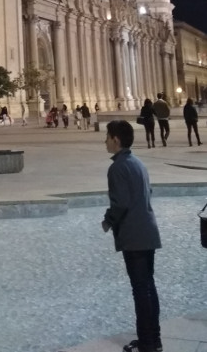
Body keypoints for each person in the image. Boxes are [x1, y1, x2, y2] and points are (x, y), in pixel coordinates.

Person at [102, 120, 162, 352]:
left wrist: (108, 220)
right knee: (148, 287)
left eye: (107, 137)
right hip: (148, 232)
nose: (105, 141)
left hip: (134, 236)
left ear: (116, 140)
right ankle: (153, 339)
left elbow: (121, 203)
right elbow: (148, 192)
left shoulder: (117, 168)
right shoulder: (137, 163)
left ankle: (147, 343)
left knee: (140, 290)